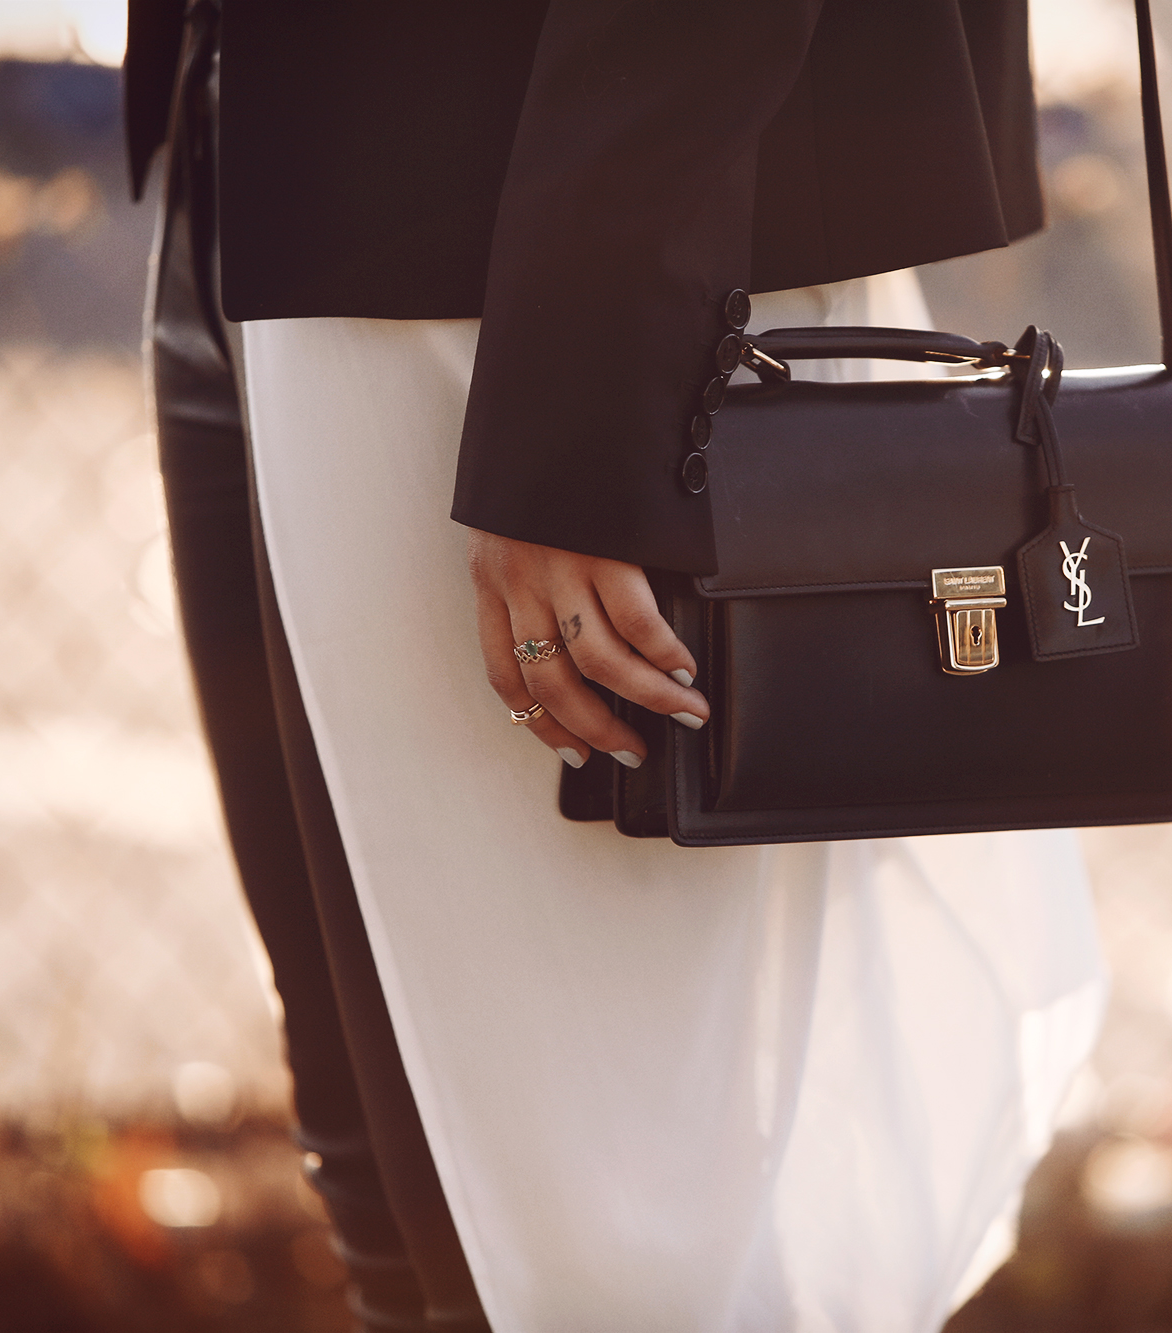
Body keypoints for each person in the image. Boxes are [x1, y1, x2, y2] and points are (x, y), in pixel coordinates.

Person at [126, 3, 1107, 1329]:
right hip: (260, 157)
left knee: (617, 1235)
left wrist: (589, 391)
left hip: (528, 230)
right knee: (400, 1151)